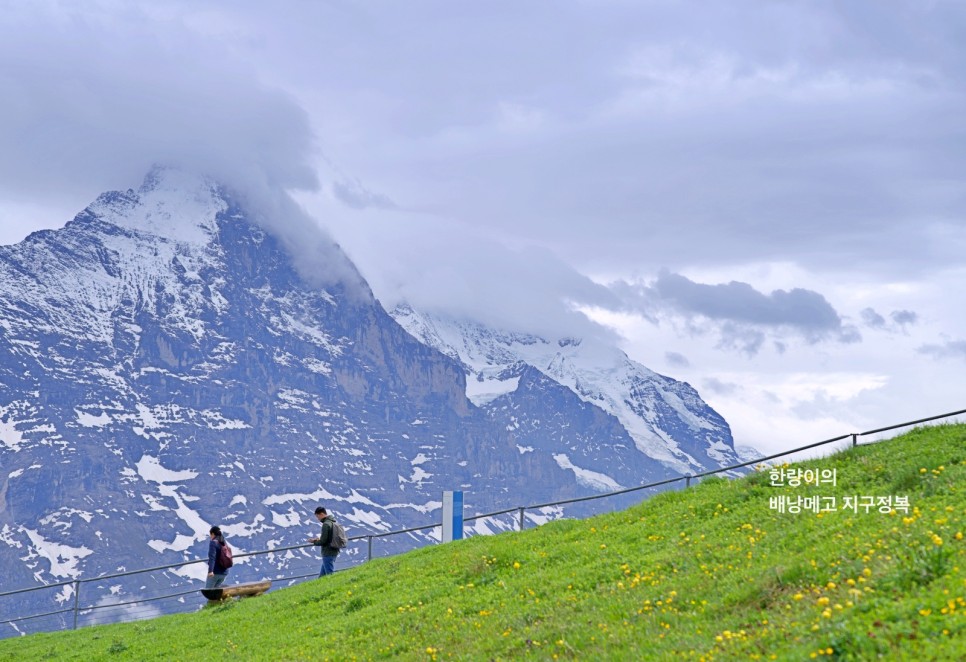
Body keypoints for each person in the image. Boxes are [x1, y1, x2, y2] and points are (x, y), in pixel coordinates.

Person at [308, 506, 339, 577]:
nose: (318, 519)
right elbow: (329, 538)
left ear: (321, 514)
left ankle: (333, 587)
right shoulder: (333, 522)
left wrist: (314, 542)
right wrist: (318, 539)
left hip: (328, 552)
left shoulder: (326, 524)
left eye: (317, 516)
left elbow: (323, 541)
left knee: (329, 574)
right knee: (322, 577)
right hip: (334, 550)